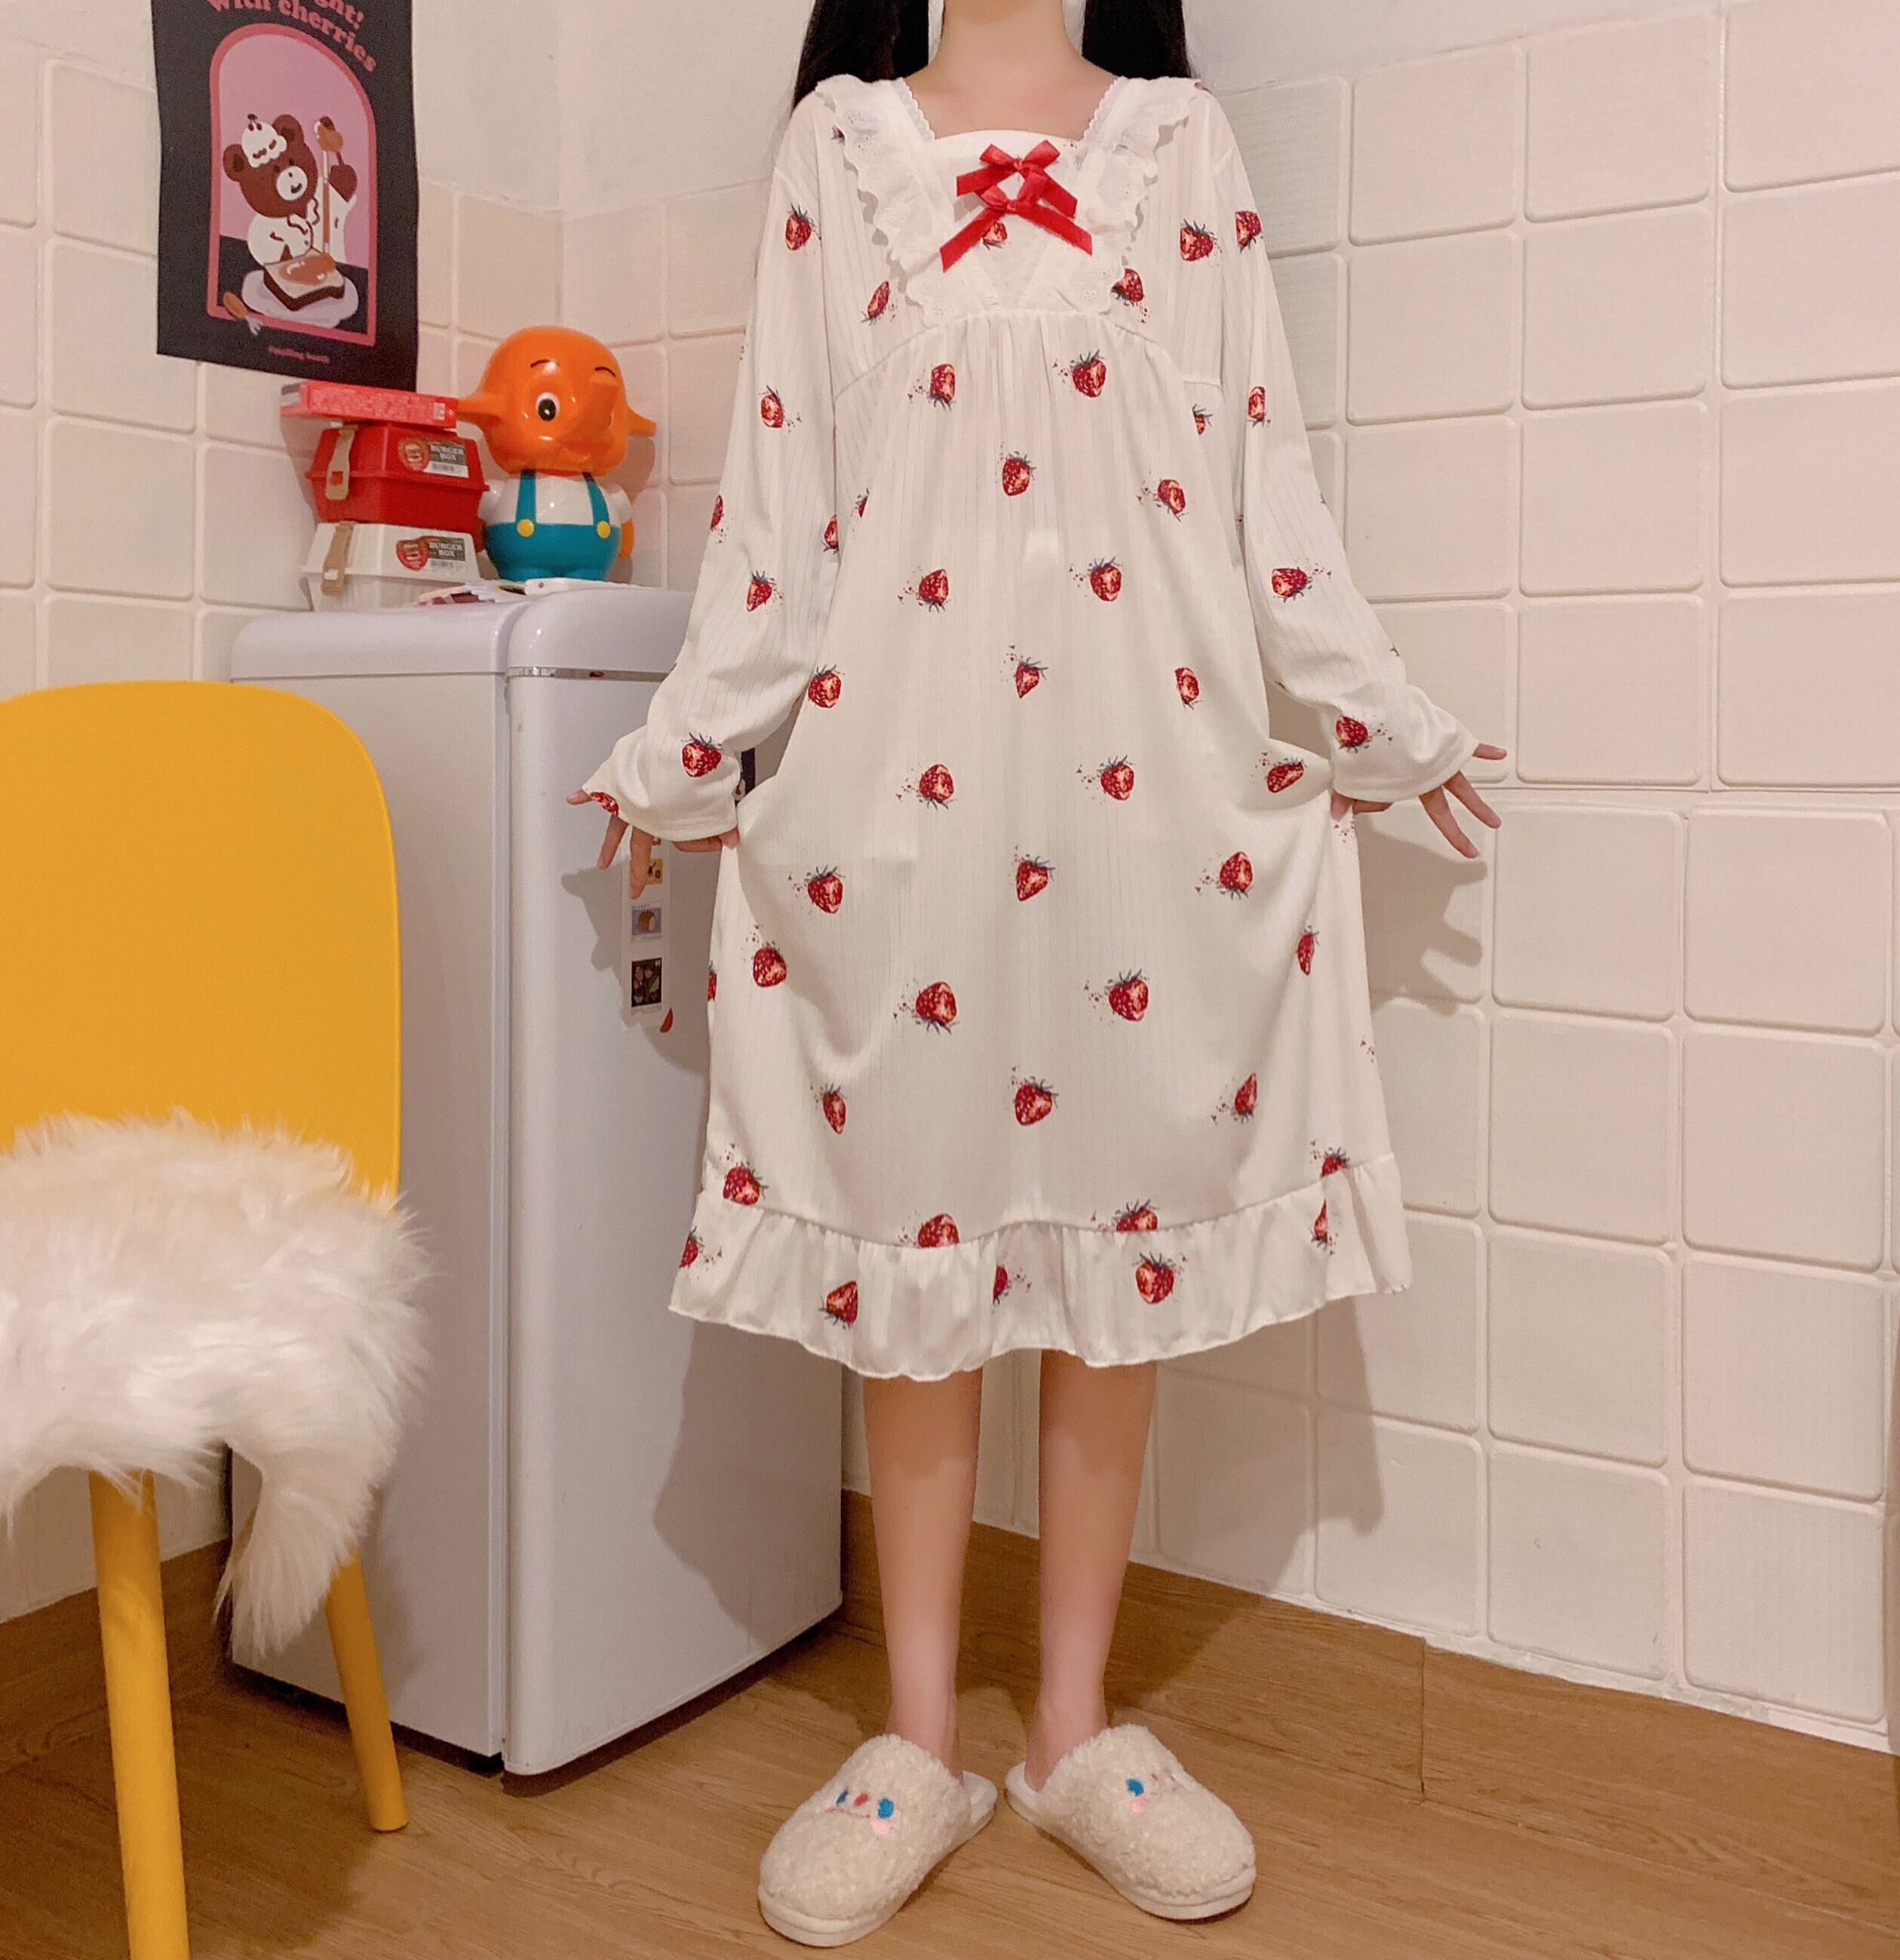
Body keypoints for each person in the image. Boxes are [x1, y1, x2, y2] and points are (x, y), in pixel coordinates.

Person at [572, 0, 1503, 1943]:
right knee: (915, 1263)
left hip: (1146, 789)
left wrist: (1382, 720)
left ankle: (1073, 1731)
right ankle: (918, 1738)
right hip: (894, 797)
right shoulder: (839, 148)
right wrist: (680, 754)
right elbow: (778, 505)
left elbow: (1264, 482)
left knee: (1120, 1247)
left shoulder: (1182, 144)